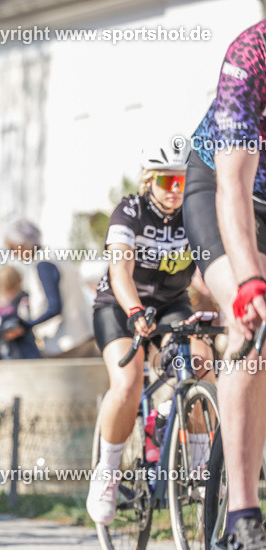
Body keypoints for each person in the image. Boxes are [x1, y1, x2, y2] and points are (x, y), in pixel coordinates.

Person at [86, 140, 210, 526]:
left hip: (172, 306)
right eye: (165, 180)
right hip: (121, 306)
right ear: (147, 180)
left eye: (181, 180)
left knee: (202, 365)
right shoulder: (130, 211)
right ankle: (106, 473)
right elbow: (120, 270)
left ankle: (203, 467)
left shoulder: (196, 212)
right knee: (127, 382)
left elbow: (208, 274)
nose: (175, 189)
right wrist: (136, 311)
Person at [184, 19, 266, 550]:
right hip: (222, 191)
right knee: (250, 322)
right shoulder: (251, 57)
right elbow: (234, 188)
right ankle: (242, 516)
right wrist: (249, 282)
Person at [2, 218, 95, 357]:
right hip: (82, 333)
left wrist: (26, 325)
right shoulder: (55, 258)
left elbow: (54, 307)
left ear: (22, 244)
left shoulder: (44, 265)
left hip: (66, 341)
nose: (13, 253)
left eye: (12, 248)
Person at [0, 266, 42, 360]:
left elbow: (22, 326)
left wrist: (1, 335)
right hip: (14, 351)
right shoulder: (9, 301)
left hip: (25, 351)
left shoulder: (22, 300)